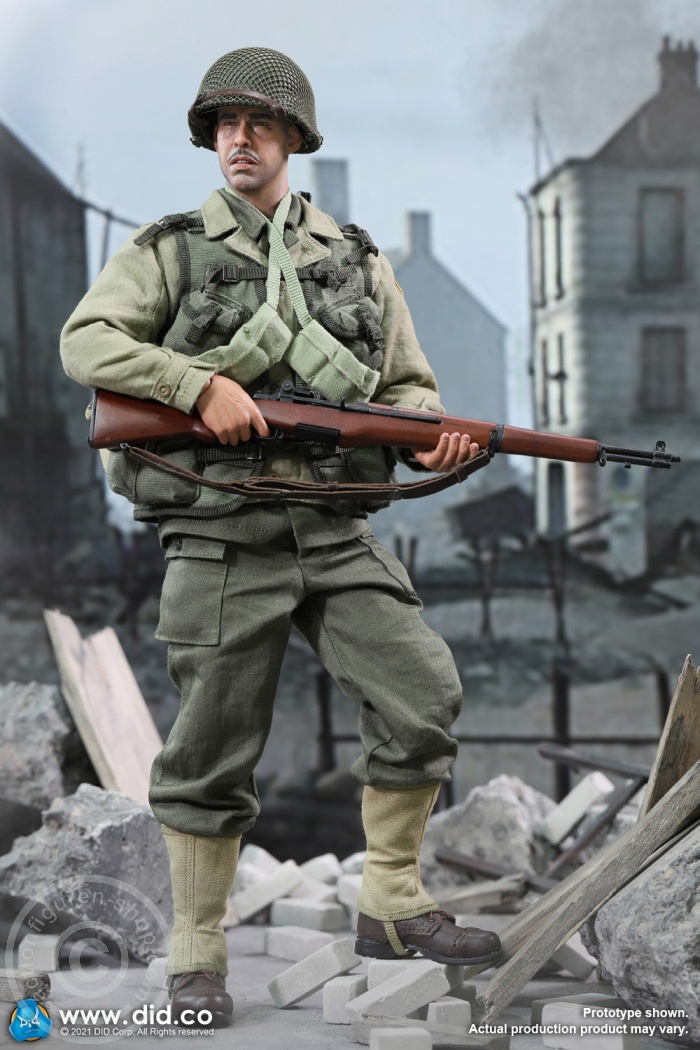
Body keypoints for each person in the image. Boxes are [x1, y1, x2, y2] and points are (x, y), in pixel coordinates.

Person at [60, 47, 502, 1027]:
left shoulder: (355, 258)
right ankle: (195, 953)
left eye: (259, 124)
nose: (240, 140)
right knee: (211, 748)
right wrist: (196, 386)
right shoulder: (172, 250)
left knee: (422, 693)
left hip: (335, 530)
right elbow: (85, 340)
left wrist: (430, 438)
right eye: (225, 125)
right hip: (223, 533)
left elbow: (408, 388)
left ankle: (392, 905)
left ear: (294, 138)